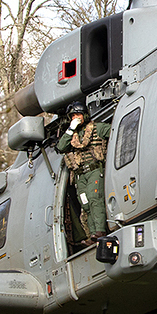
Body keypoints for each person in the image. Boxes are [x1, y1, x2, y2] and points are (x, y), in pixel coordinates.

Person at [55, 101, 111, 244]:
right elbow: (61, 147)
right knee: (85, 204)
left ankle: (100, 230)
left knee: (94, 198)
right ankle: (92, 234)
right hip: (80, 175)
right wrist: (70, 129)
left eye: (78, 115)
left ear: (84, 115)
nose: (76, 118)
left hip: (94, 170)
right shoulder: (72, 135)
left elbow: (114, 130)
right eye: (73, 116)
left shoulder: (97, 128)